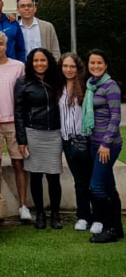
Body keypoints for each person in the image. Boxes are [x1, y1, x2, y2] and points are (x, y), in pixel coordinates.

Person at [0, 31, 30, 221]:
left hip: (15, 122)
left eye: (1, 43)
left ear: (6, 45)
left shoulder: (18, 66)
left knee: (19, 163)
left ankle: (23, 206)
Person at [14, 48, 62, 230]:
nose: (39, 64)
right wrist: (21, 140)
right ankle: (40, 214)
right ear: (30, 63)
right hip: (33, 132)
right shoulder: (23, 82)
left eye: (43, 60)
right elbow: (18, 112)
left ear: (48, 62)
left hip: (54, 133)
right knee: (35, 176)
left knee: (53, 176)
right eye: (35, 60)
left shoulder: (56, 80)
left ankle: (55, 214)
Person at [84, 49, 123, 243]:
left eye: (99, 63)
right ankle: (117, 228)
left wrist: (106, 143)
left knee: (96, 187)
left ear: (106, 65)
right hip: (94, 143)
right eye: (92, 63)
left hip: (107, 145)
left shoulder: (110, 86)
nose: (96, 66)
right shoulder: (91, 86)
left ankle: (109, 228)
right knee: (108, 186)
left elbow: (116, 116)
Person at [57, 53, 97, 232]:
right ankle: (83, 216)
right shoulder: (58, 87)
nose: (68, 69)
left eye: (72, 66)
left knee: (92, 180)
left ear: (78, 68)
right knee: (79, 181)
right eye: (65, 66)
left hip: (85, 139)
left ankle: (97, 216)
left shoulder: (86, 87)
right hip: (67, 141)